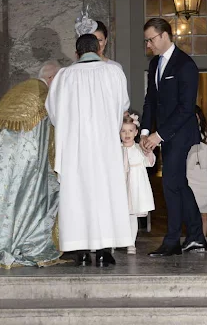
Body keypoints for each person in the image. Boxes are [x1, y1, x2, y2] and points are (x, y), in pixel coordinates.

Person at [0, 60, 62, 268]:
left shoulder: (21, 88)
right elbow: (44, 137)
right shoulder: (43, 93)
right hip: (21, 162)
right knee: (23, 198)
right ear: (52, 78)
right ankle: (21, 242)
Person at [46, 33, 132, 267]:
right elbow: (123, 104)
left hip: (76, 147)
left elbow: (53, 112)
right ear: (98, 49)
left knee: (78, 196)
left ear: (77, 53)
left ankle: (81, 251)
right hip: (104, 146)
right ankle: (104, 251)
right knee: (105, 195)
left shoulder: (65, 76)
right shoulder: (113, 72)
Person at [140, 17, 207, 257]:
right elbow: (150, 102)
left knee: (171, 184)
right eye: (146, 40)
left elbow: (186, 108)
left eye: (150, 39)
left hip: (180, 134)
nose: (148, 45)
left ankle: (172, 241)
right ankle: (196, 237)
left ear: (165, 35)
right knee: (177, 184)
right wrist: (145, 132)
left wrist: (160, 135)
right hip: (163, 135)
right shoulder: (154, 65)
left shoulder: (185, 64)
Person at [121, 112, 156, 254]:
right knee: (118, 214)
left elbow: (150, 163)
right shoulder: (116, 149)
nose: (127, 134)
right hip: (120, 186)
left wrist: (148, 152)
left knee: (132, 215)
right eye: (123, 131)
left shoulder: (139, 148)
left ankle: (131, 242)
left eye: (130, 131)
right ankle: (114, 241)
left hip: (135, 186)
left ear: (136, 132)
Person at [187, 106, 207, 236]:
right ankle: (192, 239)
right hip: (189, 175)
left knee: (204, 214)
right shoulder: (183, 134)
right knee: (190, 213)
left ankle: (202, 240)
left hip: (204, 176)